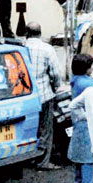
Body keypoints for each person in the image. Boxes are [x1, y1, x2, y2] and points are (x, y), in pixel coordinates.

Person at [24, 22, 63, 170]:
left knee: (29, 128)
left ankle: (27, 158)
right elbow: (55, 73)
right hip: (44, 94)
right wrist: (55, 86)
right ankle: (43, 161)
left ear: (26, 33)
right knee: (46, 129)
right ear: (40, 33)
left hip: (24, 96)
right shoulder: (47, 49)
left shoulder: (21, 48)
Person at [69, 53, 93, 183]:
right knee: (88, 159)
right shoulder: (88, 84)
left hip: (78, 123)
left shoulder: (76, 80)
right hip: (87, 123)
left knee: (80, 158)